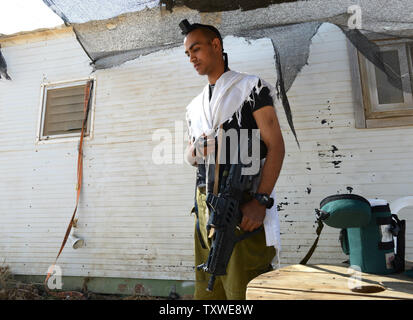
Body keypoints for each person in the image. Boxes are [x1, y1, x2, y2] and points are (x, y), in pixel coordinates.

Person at [181, 20, 285, 300]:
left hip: (242, 206)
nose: (191, 57)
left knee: (244, 290)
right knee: (208, 291)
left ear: (216, 46)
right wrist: (197, 150)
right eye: (187, 53)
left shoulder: (251, 88)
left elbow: (276, 147)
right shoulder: (194, 106)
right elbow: (189, 156)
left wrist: (260, 201)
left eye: (196, 49)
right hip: (204, 206)